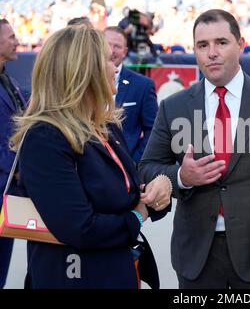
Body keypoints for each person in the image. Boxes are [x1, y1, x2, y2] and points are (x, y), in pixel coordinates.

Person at [139, 9, 250, 289]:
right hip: (196, 256)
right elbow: (147, 168)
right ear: (194, 50)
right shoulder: (174, 106)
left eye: (221, 42)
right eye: (202, 45)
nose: (212, 53)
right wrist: (182, 177)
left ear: (241, 45)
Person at [9, 26, 171, 289]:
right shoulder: (46, 138)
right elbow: (81, 228)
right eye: (108, 58)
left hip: (118, 274)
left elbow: (121, 194)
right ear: (84, 70)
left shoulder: (106, 127)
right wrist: (139, 215)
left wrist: (156, 190)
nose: (116, 65)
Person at [104, 26, 158, 163]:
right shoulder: (85, 81)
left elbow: (153, 130)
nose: (111, 50)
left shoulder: (143, 85)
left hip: (128, 167)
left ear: (125, 52)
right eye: (107, 44)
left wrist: (134, 163)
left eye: (117, 46)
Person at [0, 19, 26, 289]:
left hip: (8, 193)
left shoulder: (9, 80)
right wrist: (18, 168)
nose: (16, 40)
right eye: (11, 36)